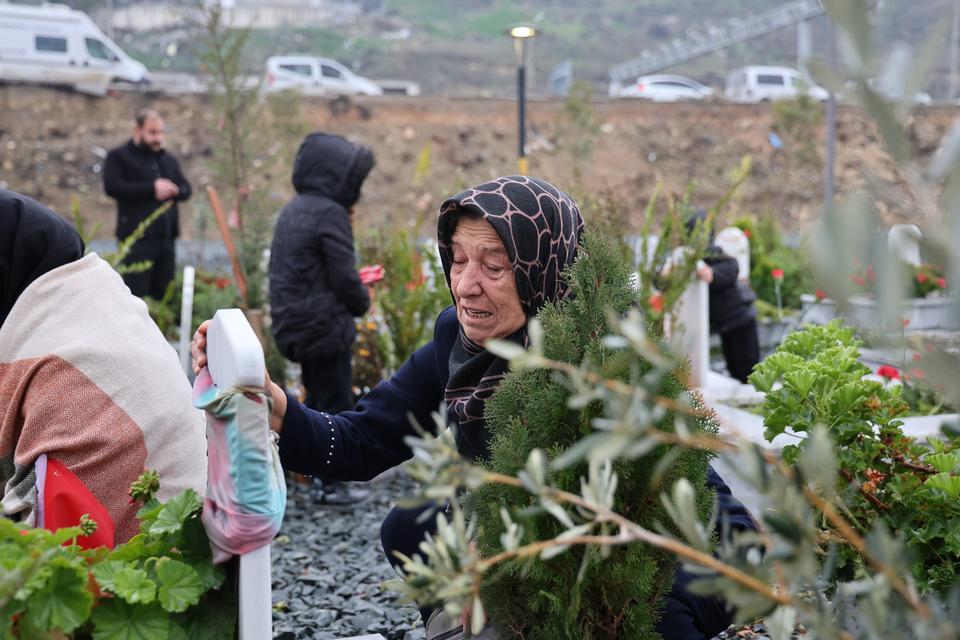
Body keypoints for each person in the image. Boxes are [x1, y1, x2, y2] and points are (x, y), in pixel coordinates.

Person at [193, 176, 755, 639]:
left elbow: (616, 504)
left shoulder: (601, 354)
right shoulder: (457, 343)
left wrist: (498, 548)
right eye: (457, 260)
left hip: (670, 548)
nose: (465, 285)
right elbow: (361, 440)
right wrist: (275, 404)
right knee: (412, 528)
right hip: (533, 539)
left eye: (493, 265)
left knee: (650, 603)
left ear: (544, 267)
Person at [0, 190, 207, 547]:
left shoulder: (57, 357)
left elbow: (34, 544)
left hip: (132, 569)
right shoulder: (91, 303)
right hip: (188, 533)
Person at [268, 131, 374, 506]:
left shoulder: (293, 209)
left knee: (313, 400)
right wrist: (363, 301)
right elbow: (344, 277)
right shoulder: (330, 213)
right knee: (335, 402)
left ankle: (311, 474)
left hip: (292, 325)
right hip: (324, 329)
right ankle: (331, 484)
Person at [103, 108, 192, 300]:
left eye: (161, 132)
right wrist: (151, 189)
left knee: (164, 296)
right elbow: (112, 187)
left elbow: (186, 189)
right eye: (152, 133)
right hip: (136, 240)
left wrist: (174, 190)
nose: (157, 138)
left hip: (166, 239)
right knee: (135, 297)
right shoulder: (119, 157)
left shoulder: (167, 159)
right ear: (138, 130)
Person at [688, 210, 760, 384]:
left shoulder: (715, 254)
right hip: (725, 325)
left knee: (748, 373)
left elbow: (731, 267)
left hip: (741, 321)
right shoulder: (690, 256)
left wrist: (710, 273)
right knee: (736, 372)